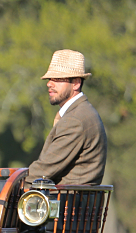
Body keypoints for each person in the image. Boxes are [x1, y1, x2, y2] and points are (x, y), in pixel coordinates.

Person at [26, 49, 107, 186]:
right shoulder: (82, 112)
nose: (49, 84)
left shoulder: (75, 120)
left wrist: (9, 184)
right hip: (71, 201)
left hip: (67, 203)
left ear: (76, 83)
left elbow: (45, 169)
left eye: (57, 79)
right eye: (50, 79)